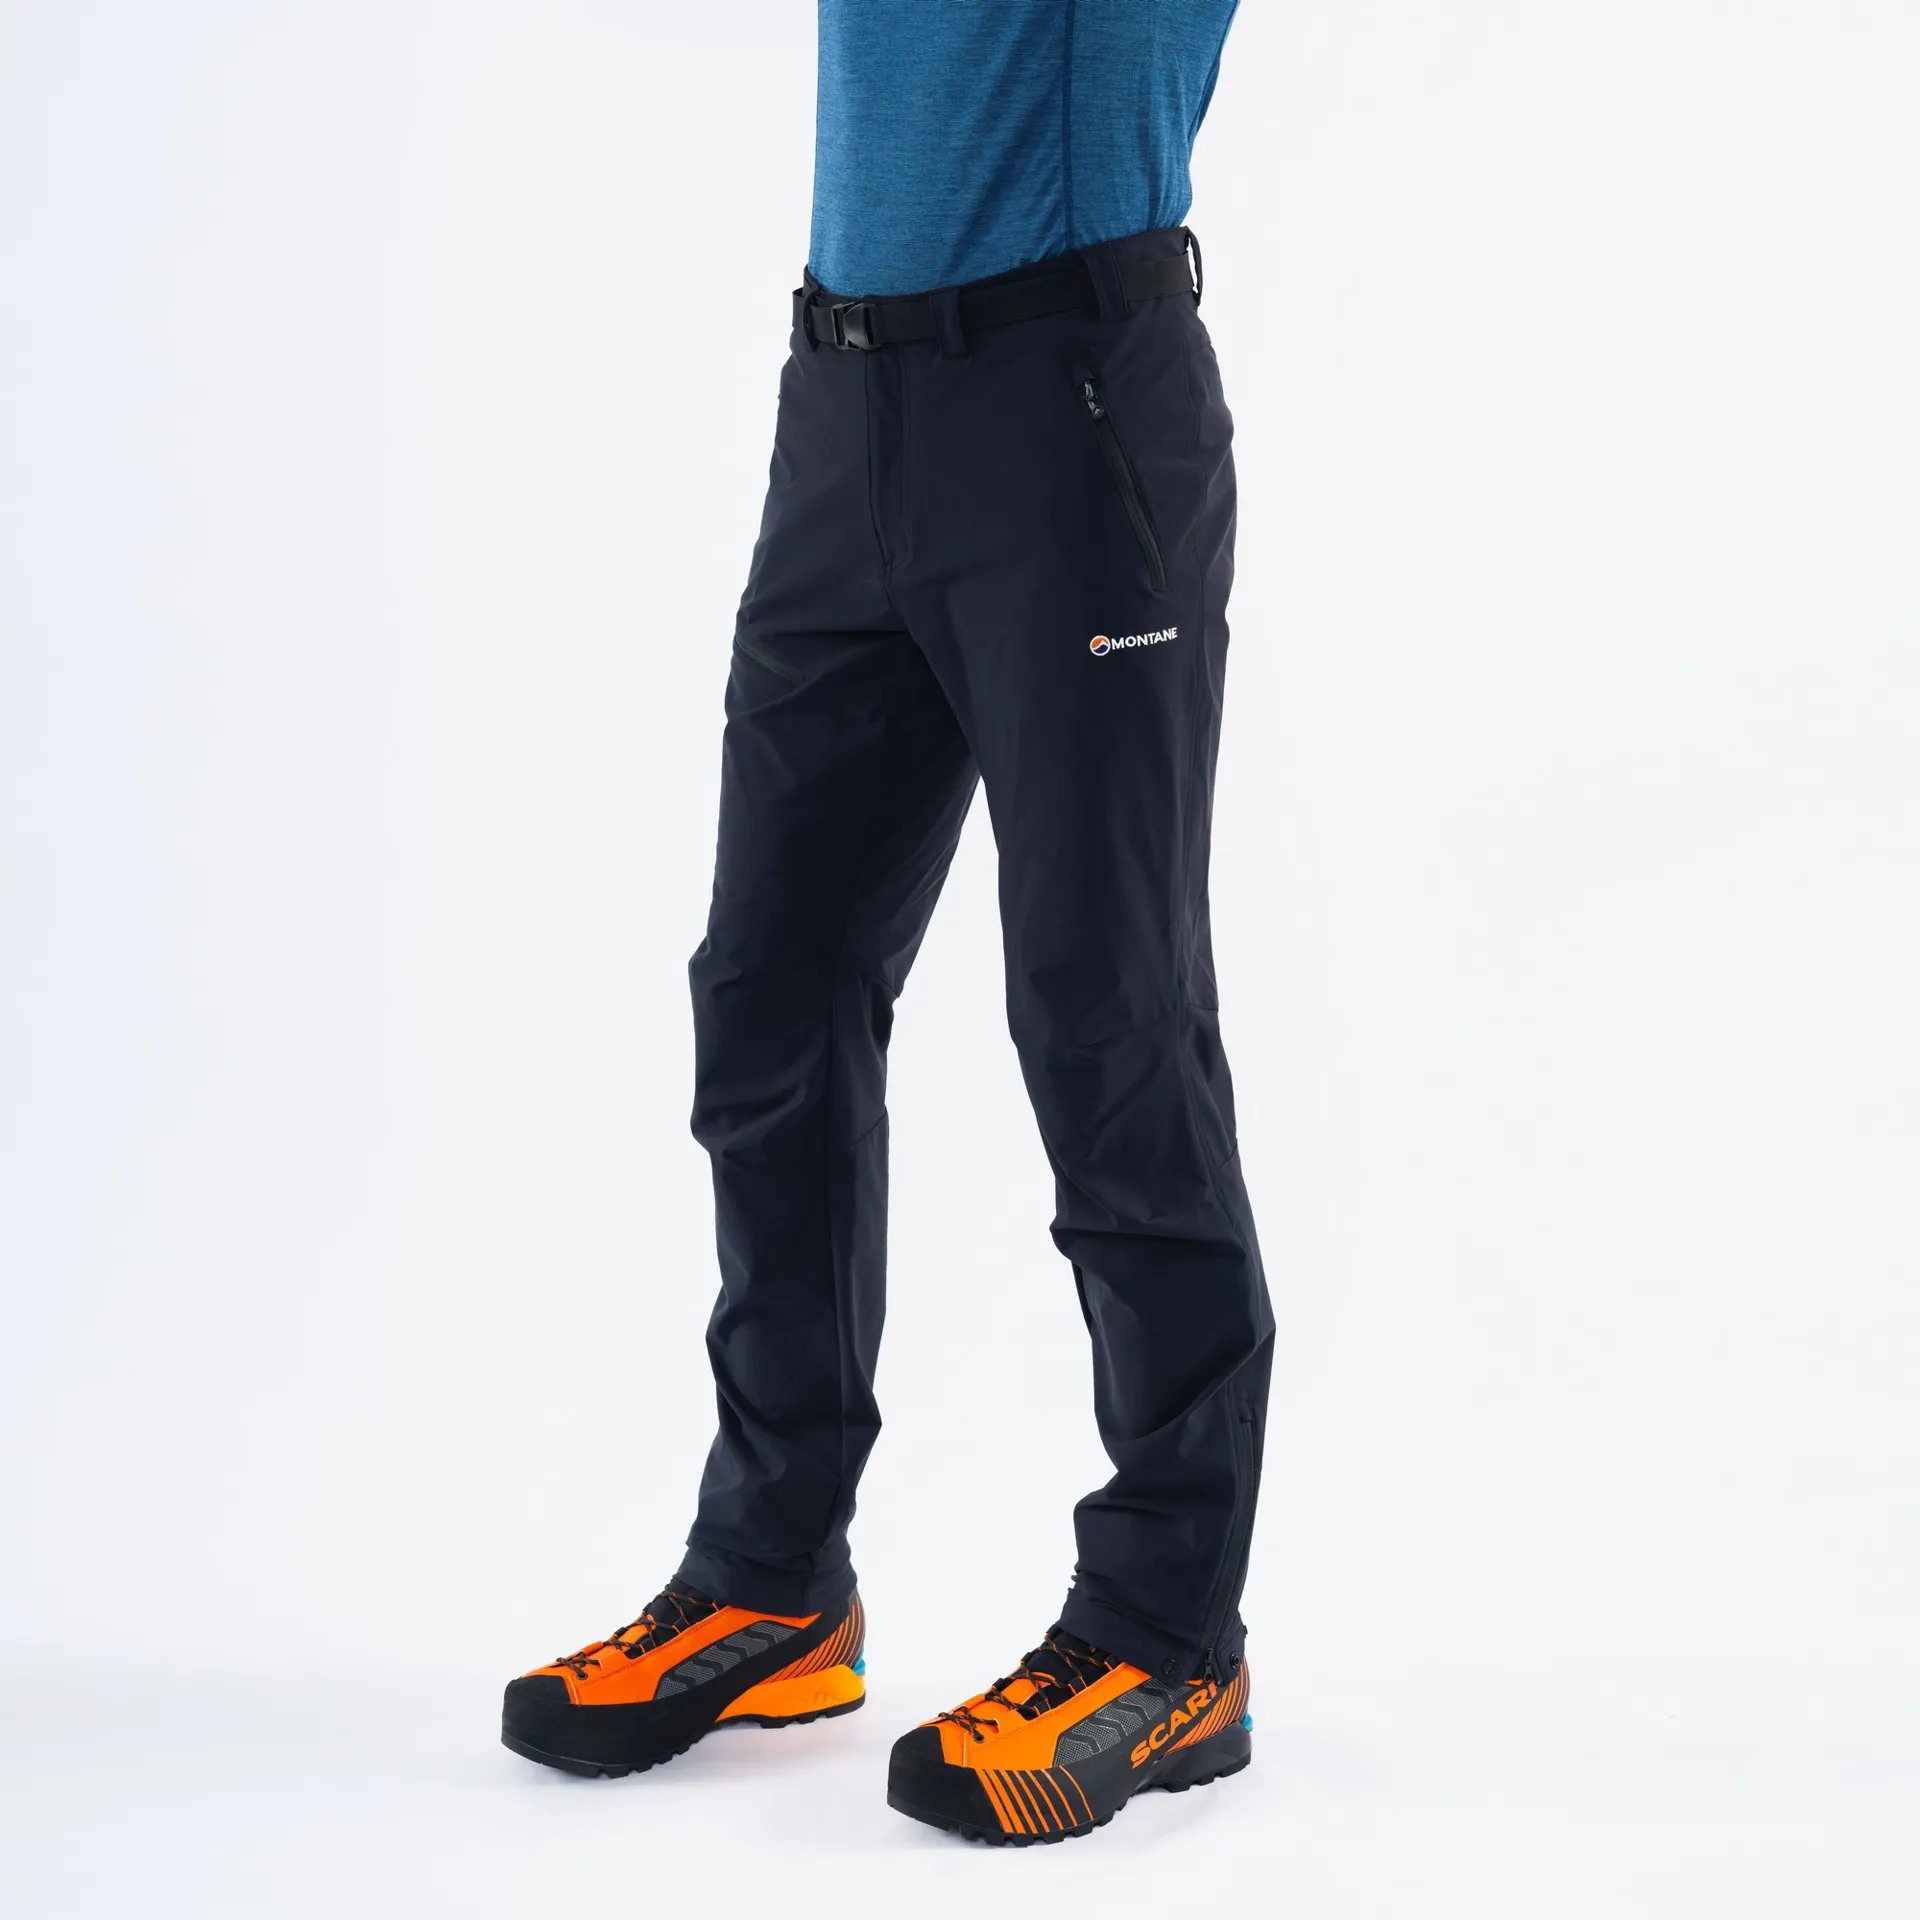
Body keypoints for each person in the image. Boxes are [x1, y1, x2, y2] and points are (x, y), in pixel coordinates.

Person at [501, 0, 1271, 1845]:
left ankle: (1170, 1630)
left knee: (1107, 1015)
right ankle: (773, 1577)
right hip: (843, 407)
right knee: (770, 991)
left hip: (1072, 405)